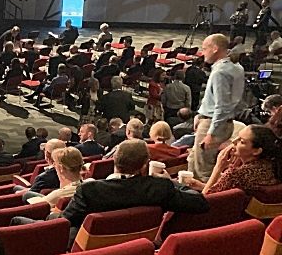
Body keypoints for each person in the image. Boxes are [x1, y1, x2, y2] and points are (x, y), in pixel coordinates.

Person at [60, 140, 209, 232]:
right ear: (144, 165)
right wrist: (172, 182)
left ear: (114, 160)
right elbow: (200, 203)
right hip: (140, 252)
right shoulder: (159, 188)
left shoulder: (89, 190)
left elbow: (63, 222)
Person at [189, 34, 246, 181]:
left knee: (203, 171)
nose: (202, 52)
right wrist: (200, 115)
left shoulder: (220, 72)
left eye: (205, 48)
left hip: (213, 125)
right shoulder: (236, 67)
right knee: (196, 162)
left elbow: (222, 106)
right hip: (222, 122)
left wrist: (211, 133)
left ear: (215, 49)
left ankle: (204, 200)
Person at [179, 125, 282, 196]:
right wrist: (200, 185)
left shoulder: (237, 174)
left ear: (257, 151)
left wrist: (218, 167)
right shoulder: (271, 166)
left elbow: (206, 199)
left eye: (241, 141)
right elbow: (224, 192)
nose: (234, 141)